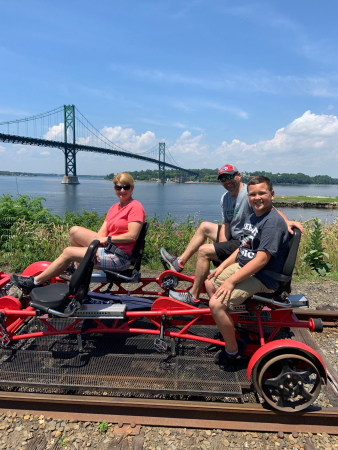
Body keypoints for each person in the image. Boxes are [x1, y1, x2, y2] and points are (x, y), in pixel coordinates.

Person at [160, 164, 302, 306]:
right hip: (235, 236)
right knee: (204, 227)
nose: (227, 181)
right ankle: (179, 263)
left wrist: (287, 222)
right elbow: (226, 225)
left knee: (204, 251)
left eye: (230, 176)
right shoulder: (225, 198)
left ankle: (194, 296)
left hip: (244, 239)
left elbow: (271, 210)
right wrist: (222, 247)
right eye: (223, 179)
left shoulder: (250, 193)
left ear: (238, 176)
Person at [11, 172, 145, 294]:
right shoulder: (114, 208)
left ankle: (34, 282)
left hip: (120, 258)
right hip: (109, 249)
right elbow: (100, 234)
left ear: (132, 188)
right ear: (114, 189)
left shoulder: (135, 207)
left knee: (68, 252)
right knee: (74, 231)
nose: (122, 190)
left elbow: (132, 236)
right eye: (118, 187)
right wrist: (97, 246)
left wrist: (106, 240)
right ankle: (79, 270)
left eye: (126, 187)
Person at [205, 175, 289, 365]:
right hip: (245, 266)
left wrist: (231, 280)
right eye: (252, 194)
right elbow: (243, 247)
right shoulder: (253, 217)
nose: (257, 198)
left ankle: (233, 351)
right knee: (209, 281)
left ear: (272, 194)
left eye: (262, 193)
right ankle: (230, 328)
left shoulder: (272, 223)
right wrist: (224, 266)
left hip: (263, 277)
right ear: (248, 196)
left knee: (216, 304)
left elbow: (261, 260)